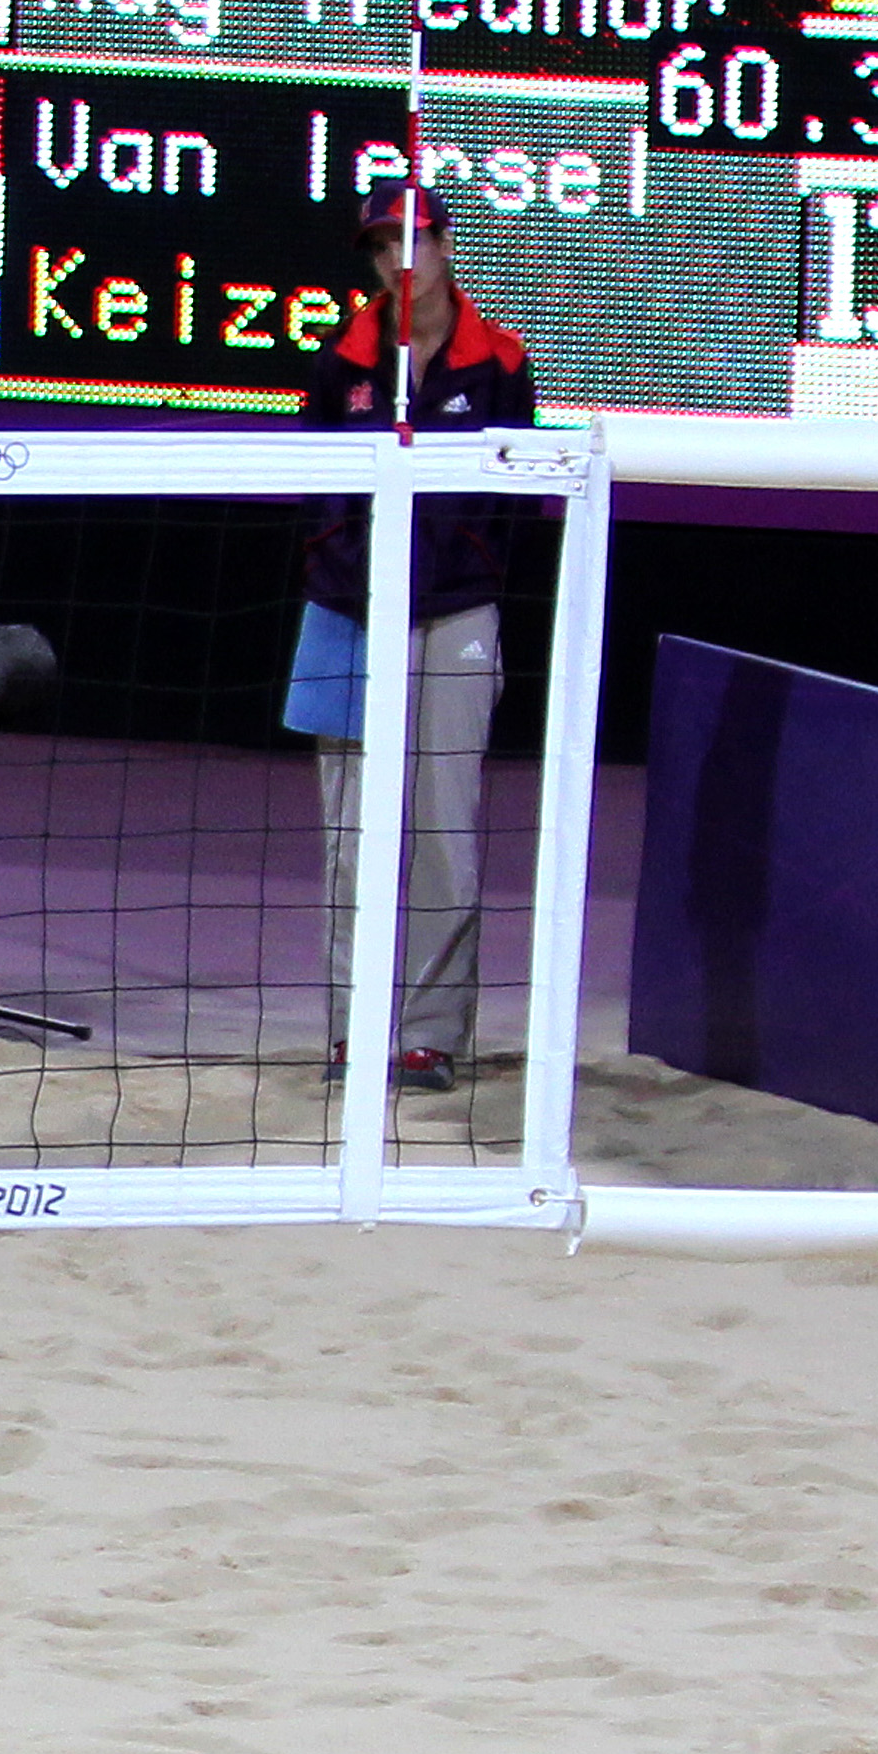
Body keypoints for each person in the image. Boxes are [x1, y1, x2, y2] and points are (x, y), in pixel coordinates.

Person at [290, 181, 536, 1091]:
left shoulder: (500, 363)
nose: (402, 260)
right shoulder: (341, 360)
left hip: (456, 617)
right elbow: (314, 487)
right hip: (347, 618)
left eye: (416, 241)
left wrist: (452, 567)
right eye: (384, 246)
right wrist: (352, 573)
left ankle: (431, 1037)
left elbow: (513, 497)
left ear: (443, 245)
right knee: (352, 838)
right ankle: (355, 1034)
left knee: (443, 832)